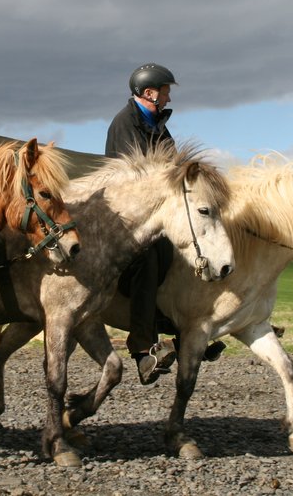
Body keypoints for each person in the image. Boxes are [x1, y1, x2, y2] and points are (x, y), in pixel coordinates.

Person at [105, 63, 180, 385]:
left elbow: (174, 166)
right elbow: (133, 176)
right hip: (127, 215)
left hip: (157, 213)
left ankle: (185, 330)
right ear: (149, 93)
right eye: (165, 91)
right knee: (146, 259)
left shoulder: (158, 125)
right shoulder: (125, 123)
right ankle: (142, 350)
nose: (168, 96)